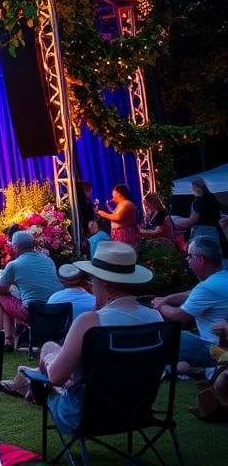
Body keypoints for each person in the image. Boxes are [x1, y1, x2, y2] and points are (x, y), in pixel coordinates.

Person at [38, 241, 159, 434]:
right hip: (138, 412)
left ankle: (31, 382)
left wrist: (49, 358)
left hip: (83, 415)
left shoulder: (90, 322)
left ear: (103, 283)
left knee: (48, 349)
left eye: (92, 278)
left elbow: (56, 377)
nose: (90, 283)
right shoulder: (155, 318)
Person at [153, 236, 228, 371]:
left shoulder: (207, 287)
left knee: (173, 336)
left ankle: (177, 368)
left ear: (200, 259)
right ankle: (184, 367)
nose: (187, 260)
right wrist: (167, 298)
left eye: (190, 256)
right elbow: (191, 293)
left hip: (215, 348)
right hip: (219, 344)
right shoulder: (221, 278)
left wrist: (160, 306)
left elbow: (179, 315)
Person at [0, 230, 62, 350]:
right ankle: (8, 339)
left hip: (33, 312)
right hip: (55, 309)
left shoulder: (14, 265)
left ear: (15, 247)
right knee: (9, 296)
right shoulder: (47, 260)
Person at [173, 177, 228, 256]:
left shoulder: (198, 202)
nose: (193, 189)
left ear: (197, 188)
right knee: (216, 257)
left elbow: (193, 220)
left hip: (201, 233)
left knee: (202, 256)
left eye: (193, 187)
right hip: (216, 232)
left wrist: (176, 221)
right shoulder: (212, 198)